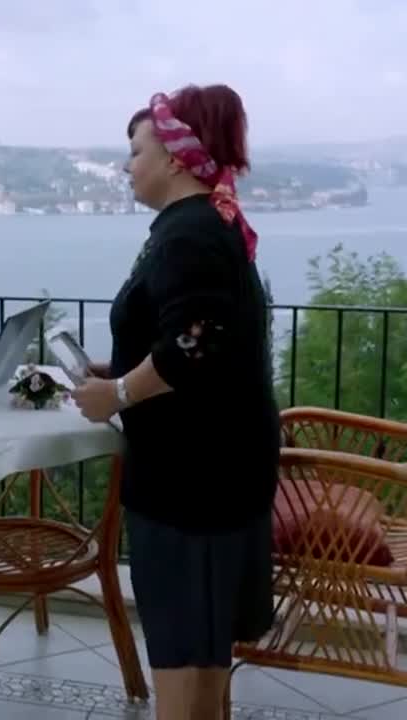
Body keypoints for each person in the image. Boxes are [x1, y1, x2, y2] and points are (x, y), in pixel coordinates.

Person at [71, 85, 280, 720]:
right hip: (217, 469)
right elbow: (193, 336)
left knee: (182, 641)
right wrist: (119, 370)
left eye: (137, 151)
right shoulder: (204, 226)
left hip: (192, 477)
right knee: (203, 642)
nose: (127, 165)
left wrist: (117, 393)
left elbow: (195, 344)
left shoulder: (189, 235)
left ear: (175, 157)